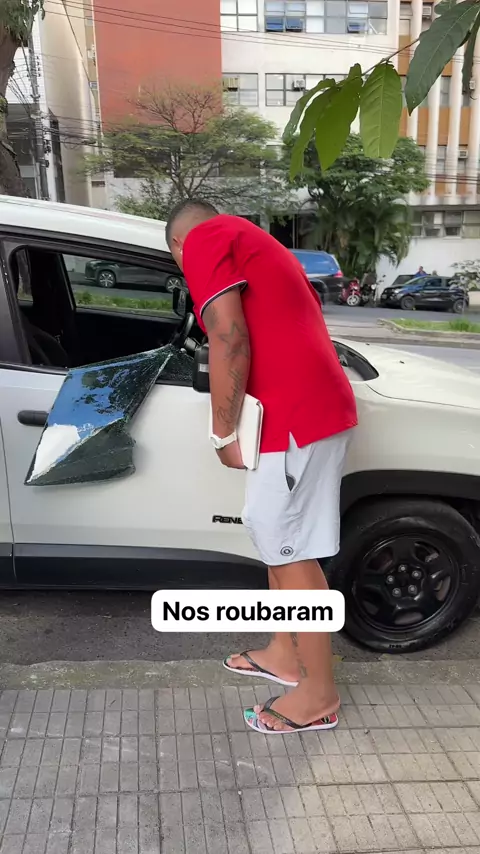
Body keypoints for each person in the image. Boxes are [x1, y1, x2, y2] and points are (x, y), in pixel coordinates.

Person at [166, 200, 358, 735]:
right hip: (305, 412)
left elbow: (228, 335)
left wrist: (222, 430)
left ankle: (318, 695)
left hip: (295, 419)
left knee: (289, 548)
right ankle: (284, 653)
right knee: (276, 537)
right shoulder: (255, 244)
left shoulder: (205, 240)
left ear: (178, 244)